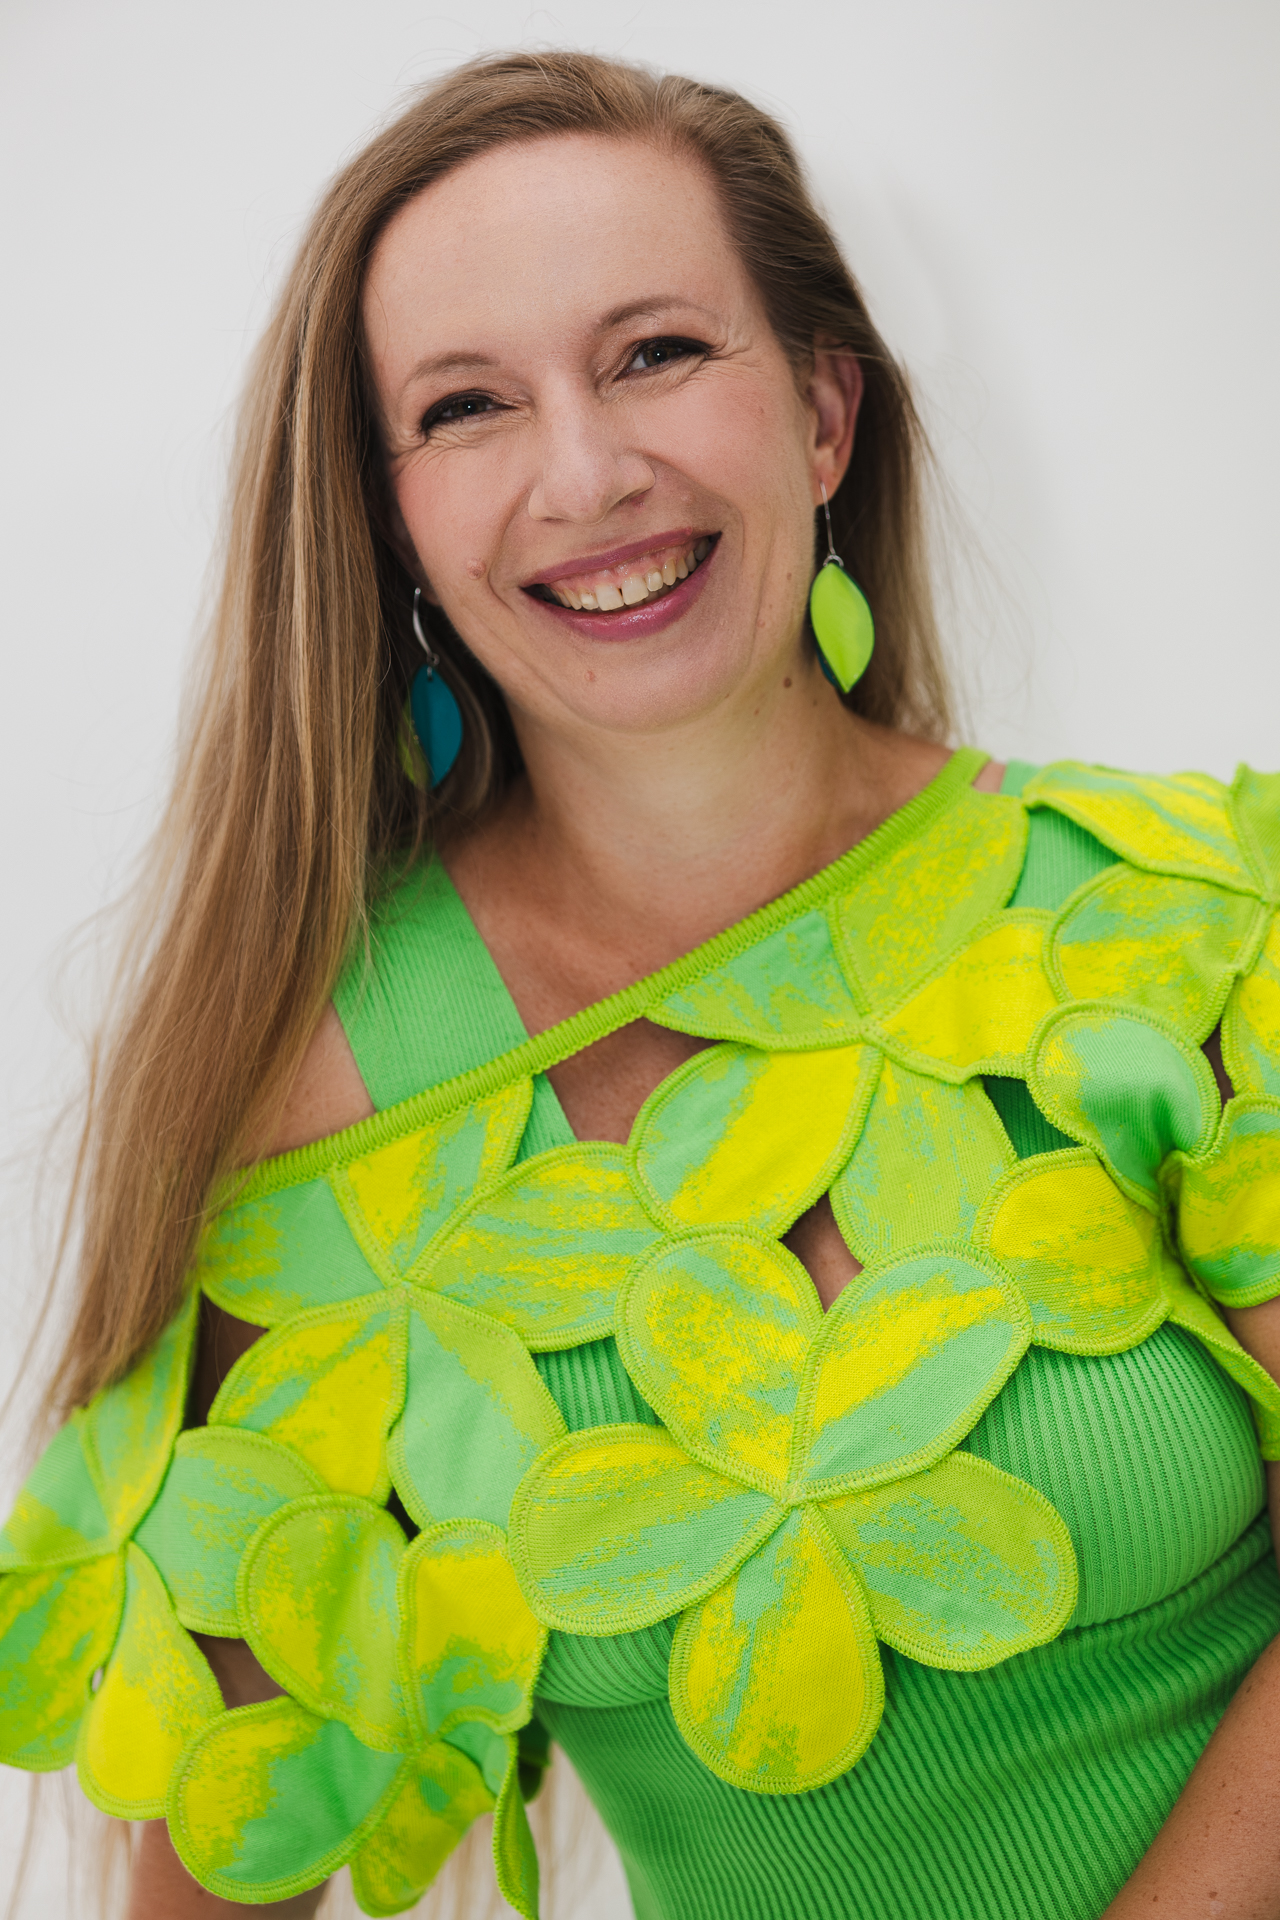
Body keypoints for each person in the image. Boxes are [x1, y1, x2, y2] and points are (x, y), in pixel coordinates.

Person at [0, 48, 1277, 1920]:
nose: (588, 475)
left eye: (656, 353)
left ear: (824, 415)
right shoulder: (336, 1111)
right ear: (392, 519)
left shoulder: (1182, 917)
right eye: (466, 406)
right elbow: (232, 1856)